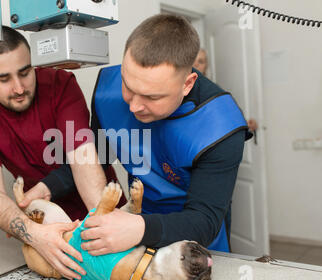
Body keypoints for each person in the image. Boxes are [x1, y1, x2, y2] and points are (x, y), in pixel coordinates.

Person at [42, 14, 252, 255]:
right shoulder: (107, 93)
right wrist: (46, 187)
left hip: (195, 242)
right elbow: (96, 158)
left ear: (188, 83)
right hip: (135, 227)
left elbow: (204, 220)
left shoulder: (220, 126)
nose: (133, 107)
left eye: (152, 97)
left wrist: (138, 229)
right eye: (128, 88)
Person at [0, 26, 124, 280]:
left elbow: (83, 157)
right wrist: (34, 235)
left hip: (105, 210)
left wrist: (102, 222)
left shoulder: (60, 84)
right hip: (50, 232)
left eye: (25, 72)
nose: (19, 87)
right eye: (4, 79)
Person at [193, 48, 258, 133]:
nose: (195, 64)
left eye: (200, 61)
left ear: (206, 67)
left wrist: (246, 124)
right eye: (192, 60)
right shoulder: (178, 89)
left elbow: (225, 116)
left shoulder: (214, 90)